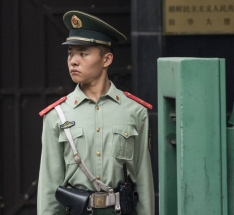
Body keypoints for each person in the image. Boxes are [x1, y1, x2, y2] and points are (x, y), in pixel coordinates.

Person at [37, 11, 154, 215]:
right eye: (70, 53)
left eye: (83, 53)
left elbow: (143, 180)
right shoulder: (57, 115)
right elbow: (49, 187)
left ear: (106, 59)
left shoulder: (134, 111)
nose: (73, 61)